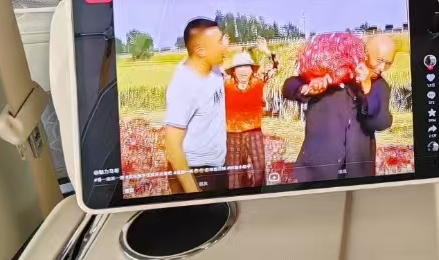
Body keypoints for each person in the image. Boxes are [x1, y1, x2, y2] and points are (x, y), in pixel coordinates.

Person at [284, 34, 397, 182]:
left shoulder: (379, 85)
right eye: (379, 60)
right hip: (318, 170)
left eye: (388, 63)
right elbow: (289, 86)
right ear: (365, 53)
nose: (382, 68)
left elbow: (380, 123)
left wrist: (367, 87)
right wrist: (308, 88)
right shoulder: (328, 71)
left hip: (357, 171)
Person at [161, 18, 229, 195]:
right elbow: (172, 145)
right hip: (195, 170)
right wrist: (193, 192)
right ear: (200, 51)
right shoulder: (184, 86)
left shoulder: (213, 68)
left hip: (218, 164)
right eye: (220, 42)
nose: (225, 47)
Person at [223, 39, 277, 191]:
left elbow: (275, 67)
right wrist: (222, 49)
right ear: (233, 71)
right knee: (234, 174)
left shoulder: (258, 82)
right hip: (233, 134)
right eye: (239, 67)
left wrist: (267, 51)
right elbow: (211, 68)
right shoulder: (226, 83)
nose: (243, 71)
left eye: (247, 66)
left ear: (252, 70)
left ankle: (257, 194)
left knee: (260, 168)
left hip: (254, 132)